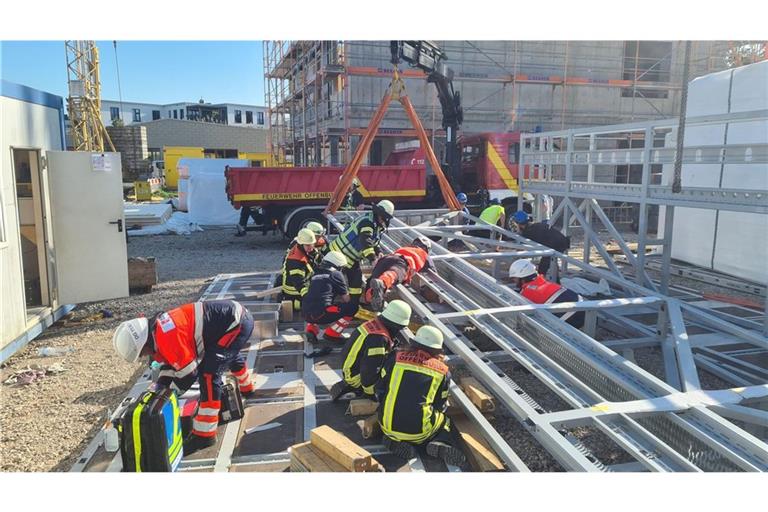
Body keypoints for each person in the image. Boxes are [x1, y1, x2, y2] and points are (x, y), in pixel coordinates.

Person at [112, 299, 255, 453]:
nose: (145, 356)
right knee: (226, 355)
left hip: (236, 324)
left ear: (144, 344)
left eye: (143, 353)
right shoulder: (158, 330)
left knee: (208, 374)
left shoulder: (165, 337)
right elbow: (172, 364)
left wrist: (167, 395)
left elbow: (188, 374)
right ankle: (247, 388)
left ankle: (205, 434)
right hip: (231, 320)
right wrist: (160, 387)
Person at [376, 325, 465, 465]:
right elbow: (440, 405)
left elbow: (379, 388)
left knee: (389, 408)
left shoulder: (395, 358)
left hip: (386, 424)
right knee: (444, 419)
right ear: (437, 350)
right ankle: (440, 441)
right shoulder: (442, 371)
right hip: (419, 432)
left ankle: (393, 439)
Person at [330, 300, 412, 401]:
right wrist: (372, 393)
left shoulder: (374, 325)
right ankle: (360, 387)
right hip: (357, 377)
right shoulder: (378, 338)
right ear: (396, 324)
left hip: (350, 369)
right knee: (396, 370)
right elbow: (370, 369)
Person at [328, 200, 395, 309]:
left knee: (356, 282)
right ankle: (326, 306)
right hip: (337, 255)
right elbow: (365, 240)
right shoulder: (367, 222)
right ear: (379, 214)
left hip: (350, 258)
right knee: (333, 283)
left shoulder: (374, 223)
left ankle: (353, 306)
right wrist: (373, 259)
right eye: (384, 217)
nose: (385, 220)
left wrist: (378, 252)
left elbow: (372, 242)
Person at [506, 259, 585, 329]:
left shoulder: (527, 293)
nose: (514, 281)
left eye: (514, 278)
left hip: (572, 319)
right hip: (584, 307)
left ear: (522, 278)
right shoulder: (541, 280)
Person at [363, 236, 434, 311]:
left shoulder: (405, 248)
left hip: (386, 259)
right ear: (426, 249)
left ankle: (369, 301)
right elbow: (432, 270)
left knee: (372, 283)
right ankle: (382, 283)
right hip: (402, 262)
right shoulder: (424, 254)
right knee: (394, 273)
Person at [302, 251, 359, 343]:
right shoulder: (336, 274)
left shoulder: (315, 272)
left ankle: (311, 330)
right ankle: (332, 334)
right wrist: (357, 298)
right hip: (322, 313)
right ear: (338, 265)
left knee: (317, 303)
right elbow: (346, 299)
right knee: (352, 307)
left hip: (305, 312)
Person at [512, 210, 570, 278]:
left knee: (543, 268)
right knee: (551, 262)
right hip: (561, 241)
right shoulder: (534, 225)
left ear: (519, 223)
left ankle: (549, 282)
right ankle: (555, 280)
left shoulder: (528, 232)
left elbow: (522, 249)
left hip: (555, 244)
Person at [281, 228, 316, 311]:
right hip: (294, 292)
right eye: (308, 245)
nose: (311, 247)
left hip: (300, 285)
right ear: (301, 244)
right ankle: (294, 303)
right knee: (314, 305)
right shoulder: (295, 261)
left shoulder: (303, 248)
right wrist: (308, 297)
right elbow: (298, 283)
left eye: (312, 244)